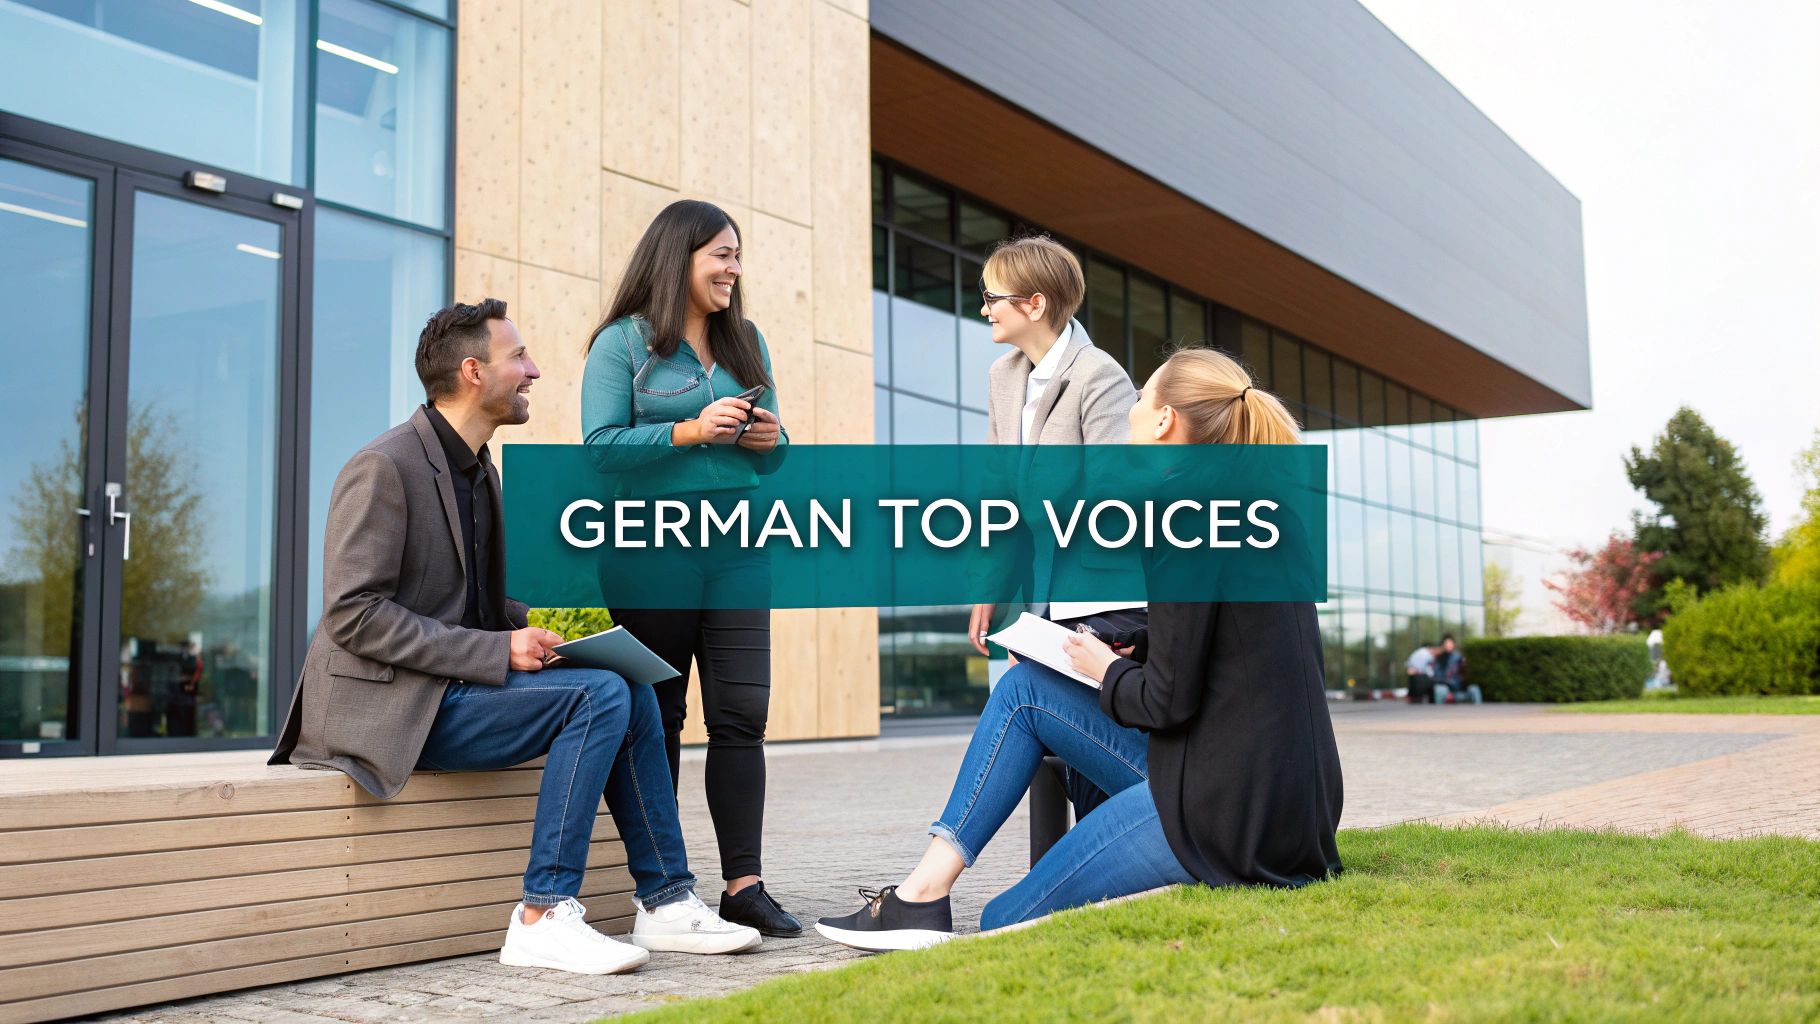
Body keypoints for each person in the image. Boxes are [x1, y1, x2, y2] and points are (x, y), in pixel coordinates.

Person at [272, 299, 760, 976]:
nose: (534, 371)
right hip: (391, 708)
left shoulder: (479, 469)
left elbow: (469, 602)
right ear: (473, 372)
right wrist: (497, 649)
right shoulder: (384, 466)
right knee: (596, 696)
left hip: (452, 688)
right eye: (519, 357)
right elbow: (353, 614)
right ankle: (541, 915)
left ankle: (666, 901)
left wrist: (540, 628)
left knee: (632, 687)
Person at [816, 348, 1344, 950]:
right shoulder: (1260, 509)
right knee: (1026, 688)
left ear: (1165, 420)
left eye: (1141, 397)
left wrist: (1108, 667)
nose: (1132, 409)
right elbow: (1237, 652)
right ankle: (921, 894)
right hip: (1296, 813)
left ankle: (920, 899)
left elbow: (1166, 702)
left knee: (1002, 921)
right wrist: (1135, 646)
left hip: (1226, 816)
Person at [581, 201, 799, 937]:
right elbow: (599, 446)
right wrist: (690, 431)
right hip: (651, 548)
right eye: (722, 255)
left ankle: (745, 886)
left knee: (741, 715)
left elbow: (776, 456)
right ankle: (663, 894)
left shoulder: (747, 341)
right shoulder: (621, 343)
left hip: (738, 543)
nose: (734, 269)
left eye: (738, 256)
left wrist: (769, 440)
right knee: (661, 717)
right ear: (680, 258)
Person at [966, 235, 1143, 819]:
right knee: (1044, 728)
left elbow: (1112, 502)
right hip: (1037, 588)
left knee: (1076, 733)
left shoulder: (1099, 376)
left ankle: (1111, 843)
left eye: (993, 297)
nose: (984, 308)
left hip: (1093, 593)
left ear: (1035, 304)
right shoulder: (1004, 375)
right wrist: (991, 586)